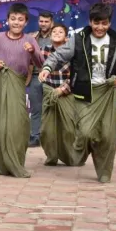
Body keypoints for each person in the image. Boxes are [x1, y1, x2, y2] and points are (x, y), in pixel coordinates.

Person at [39, 3, 116, 183]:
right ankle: (80, 154)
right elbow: (57, 55)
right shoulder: (79, 38)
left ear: (110, 23)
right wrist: (47, 67)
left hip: (108, 91)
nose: (100, 27)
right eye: (96, 22)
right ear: (90, 21)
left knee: (108, 136)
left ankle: (104, 171)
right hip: (85, 92)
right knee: (85, 133)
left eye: (105, 23)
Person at [0, 3, 44, 178]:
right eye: (13, 19)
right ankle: (3, 164)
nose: (16, 22)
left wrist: (33, 53)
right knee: (2, 123)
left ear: (26, 22)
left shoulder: (30, 40)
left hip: (18, 84)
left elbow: (41, 63)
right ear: (7, 20)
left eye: (20, 19)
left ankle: (16, 161)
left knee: (19, 123)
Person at [39, 23, 76, 167]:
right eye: (54, 31)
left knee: (68, 129)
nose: (57, 33)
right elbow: (35, 63)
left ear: (66, 37)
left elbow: (76, 74)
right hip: (49, 90)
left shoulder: (73, 52)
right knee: (46, 130)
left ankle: (71, 158)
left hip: (67, 92)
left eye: (61, 31)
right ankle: (51, 157)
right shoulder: (43, 51)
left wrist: (63, 89)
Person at [28, 11, 54, 147]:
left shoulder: (58, 36)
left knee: (52, 108)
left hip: (53, 77)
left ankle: (51, 137)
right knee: (36, 108)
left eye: (46, 21)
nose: (43, 24)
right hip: (34, 76)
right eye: (41, 21)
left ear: (52, 23)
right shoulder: (32, 37)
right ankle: (35, 136)